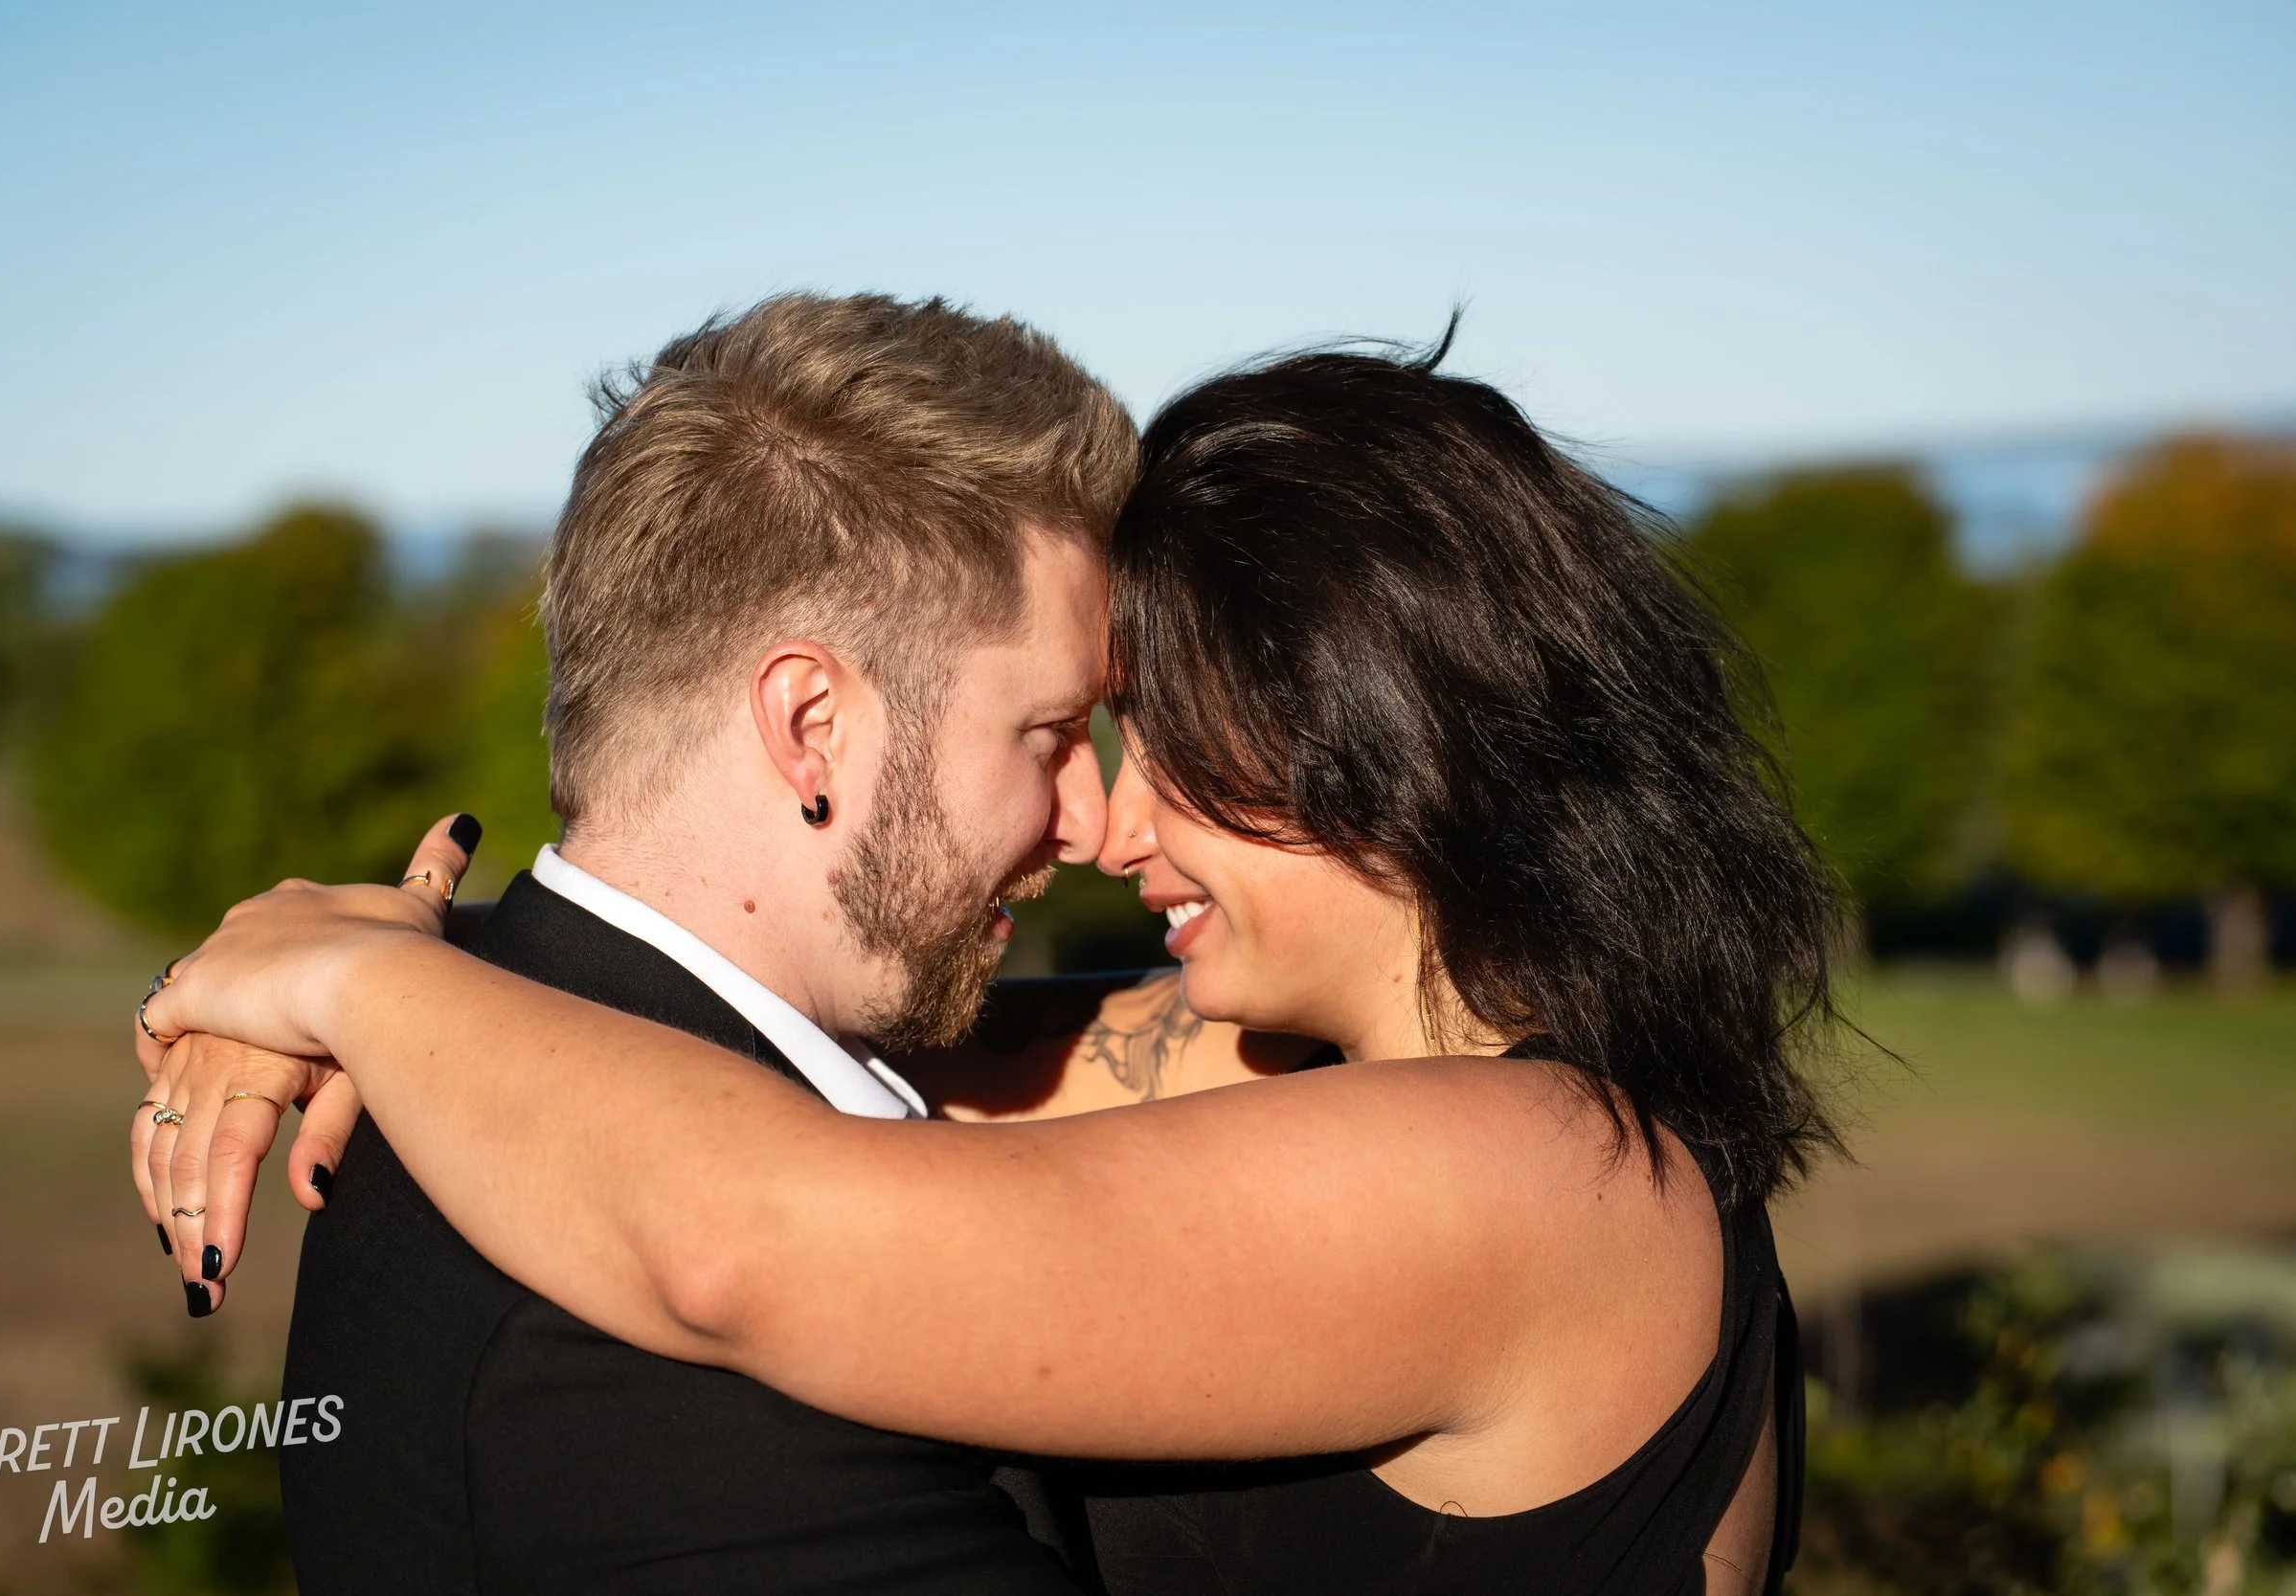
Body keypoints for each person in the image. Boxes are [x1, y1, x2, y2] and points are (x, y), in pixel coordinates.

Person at [139, 338, 1842, 1595]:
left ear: (1374, 749)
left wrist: (359, 986)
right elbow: (821, 1071)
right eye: (1073, 729)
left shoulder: (1542, 1176)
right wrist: (419, 950)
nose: (1108, 818)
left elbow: (753, 1226)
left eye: (1163, 739)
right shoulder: (1318, 1079)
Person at [134, 291, 1142, 1593]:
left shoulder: (475, 1056)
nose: (1092, 819)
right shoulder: (649, 1376)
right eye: (1052, 735)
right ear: (811, 722)